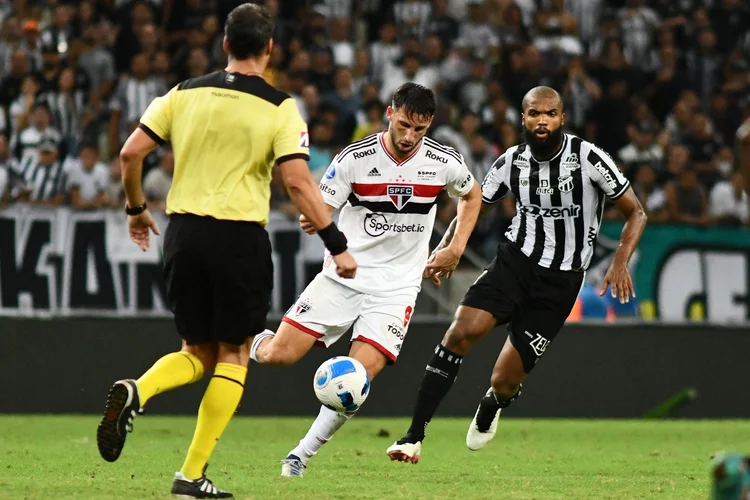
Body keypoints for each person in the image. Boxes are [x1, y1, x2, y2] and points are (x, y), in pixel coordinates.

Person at [95, 4, 357, 498]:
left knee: (194, 350)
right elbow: (298, 182)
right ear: (270, 48)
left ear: (224, 46)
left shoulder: (183, 93)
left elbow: (131, 153)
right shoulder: (279, 106)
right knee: (234, 353)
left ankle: (139, 390)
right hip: (238, 239)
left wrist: (135, 209)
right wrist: (336, 244)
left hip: (183, 234)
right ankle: (191, 474)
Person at [386, 86, 648, 463]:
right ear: (522, 119)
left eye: (550, 114)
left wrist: (620, 261)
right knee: (459, 333)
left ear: (562, 119)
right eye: (534, 114)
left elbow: (636, 211)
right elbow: (471, 206)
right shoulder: (510, 162)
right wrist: (447, 249)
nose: (542, 121)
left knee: (504, 381)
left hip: (559, 283)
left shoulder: (588, 158)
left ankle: (494, 402)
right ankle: (413, 436)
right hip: (515, 263)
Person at [249, 82, 482, 477]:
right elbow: (320, 207)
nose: (410, 137)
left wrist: (456, 247)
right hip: (344, 277)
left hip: (397, 288)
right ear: (389, 113)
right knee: (280, 356)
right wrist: (315, 217)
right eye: (404, 125)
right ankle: (248, 335)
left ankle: (299, 456)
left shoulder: (443, 161)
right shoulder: (354, 159)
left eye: (420, 130)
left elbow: (471, 195)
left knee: (356, 381)